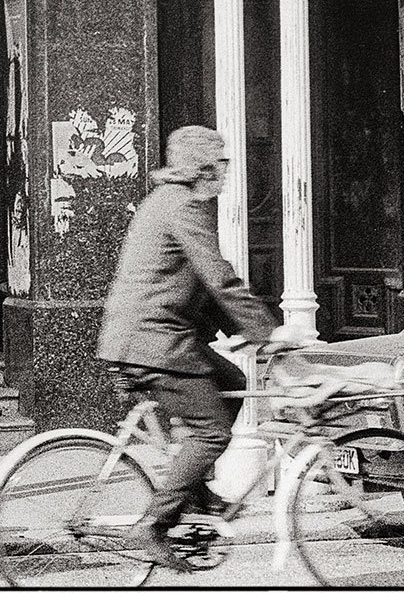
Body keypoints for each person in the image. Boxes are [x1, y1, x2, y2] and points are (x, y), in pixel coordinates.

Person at [97, 124, 298, 572]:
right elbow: (219, 277)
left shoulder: (164, 202)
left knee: (232, 380)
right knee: (212, 432)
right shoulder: (184, 205)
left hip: (147, 334)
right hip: (154, 341)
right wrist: (269, 333)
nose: (227, 172)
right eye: (223, 162)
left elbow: (193, 287)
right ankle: (154, 523)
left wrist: (243, 334)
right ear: (205, 168)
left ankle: (198, 496)